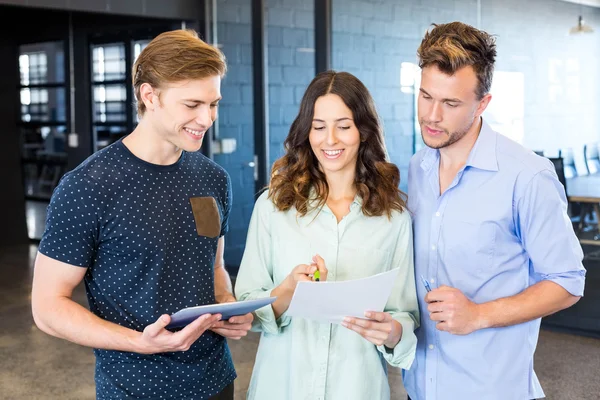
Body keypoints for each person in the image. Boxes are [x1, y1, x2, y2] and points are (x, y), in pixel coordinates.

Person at [31, 29, 253, 400]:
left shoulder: (213, 178)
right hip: (135, 388)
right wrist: (140, 342)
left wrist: (228, 307)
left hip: (215, 381)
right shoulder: (87, 187)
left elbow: (212, 268)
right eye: (192, 104)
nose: (207, 118)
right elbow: (47, 306)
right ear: (149, 96)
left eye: (213, 104)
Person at [403, 22, 586, 400]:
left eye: (451, 103)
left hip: (490, 390)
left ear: (482, 103)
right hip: (419, 388)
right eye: (425, 96)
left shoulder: (527, 176)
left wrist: (478, 315)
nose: (432, 115)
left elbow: (568, 282)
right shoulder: (417, 167)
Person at [234, 70, 419, 399]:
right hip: (282, 385)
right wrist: (288, 290)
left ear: (363, 131)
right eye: (318, 127)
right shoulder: (273, 207)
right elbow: (248, 306)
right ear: (307, 131)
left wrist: (392, 331)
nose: (329, 139)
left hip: (356, 386)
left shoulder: (394, 219)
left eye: (343, 126)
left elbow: (404, 313)